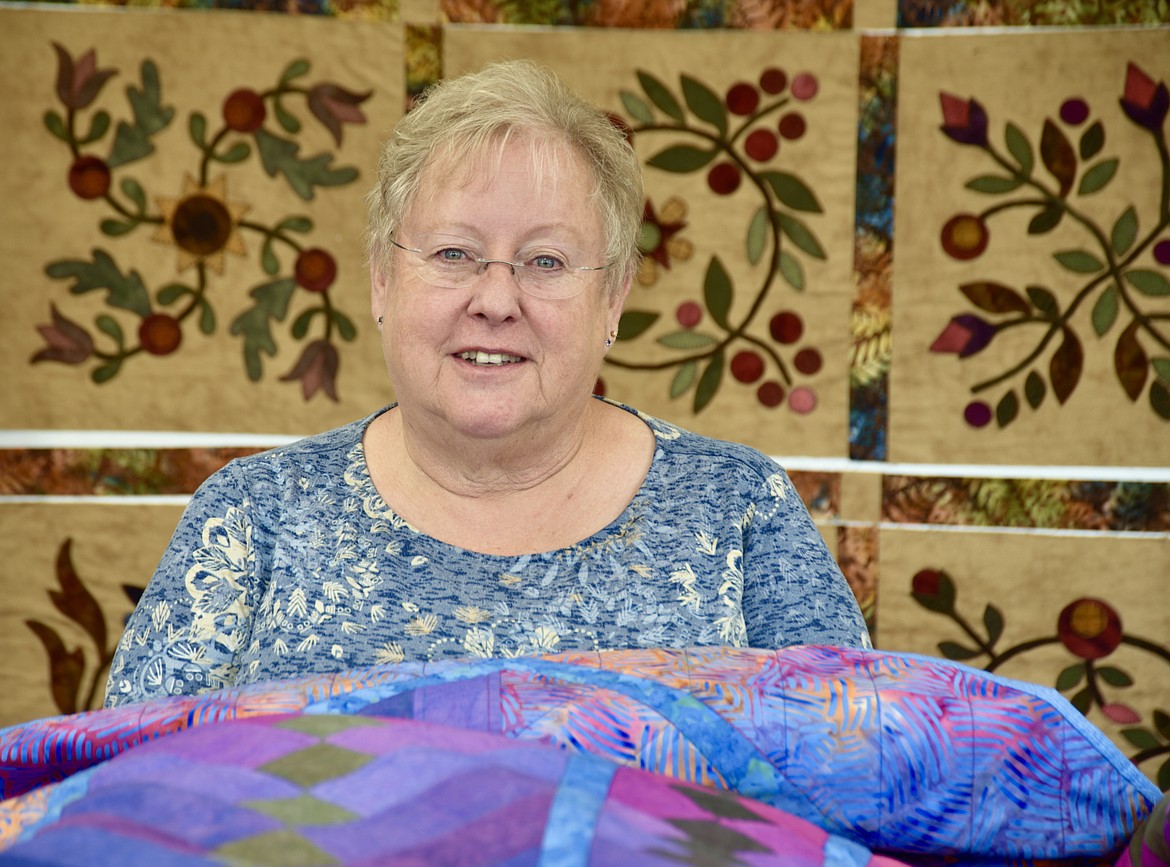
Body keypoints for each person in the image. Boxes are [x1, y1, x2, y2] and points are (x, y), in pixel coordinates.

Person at [103, 59, 870, 708]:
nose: (495, 300)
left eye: (546, 261)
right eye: (452, 253)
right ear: (379, 279)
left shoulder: (739, 509)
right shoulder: (252, 518)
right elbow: (121, 810)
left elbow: (859, 780)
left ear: (613, 296)